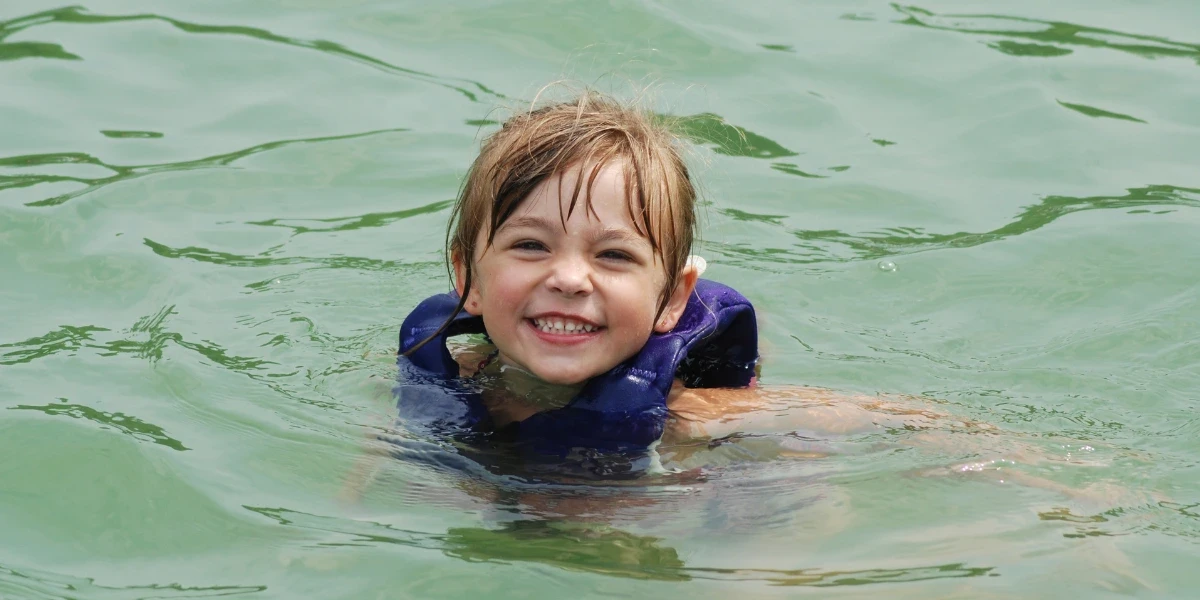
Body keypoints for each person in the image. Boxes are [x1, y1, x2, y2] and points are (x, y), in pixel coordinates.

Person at [395, 90, 776, 456]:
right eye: (531, 245)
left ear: (672, 299)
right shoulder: (445, 380)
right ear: (470, 279)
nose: (570, 279)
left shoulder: (693, 412)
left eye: (613, 254)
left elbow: (833, 414)